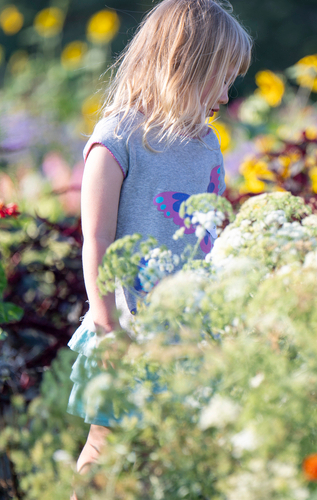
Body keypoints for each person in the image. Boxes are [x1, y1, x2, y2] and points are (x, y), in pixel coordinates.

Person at [66, 0, 252, 474]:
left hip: (188, 334)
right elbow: (97, 239)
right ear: (184, 65)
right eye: (221, 78)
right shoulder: (119, 136)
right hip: (126, 328)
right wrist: (106, 325)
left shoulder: (207, 143)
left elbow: (205, 238)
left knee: (173, 458)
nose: (226, 95)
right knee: (107, 448)